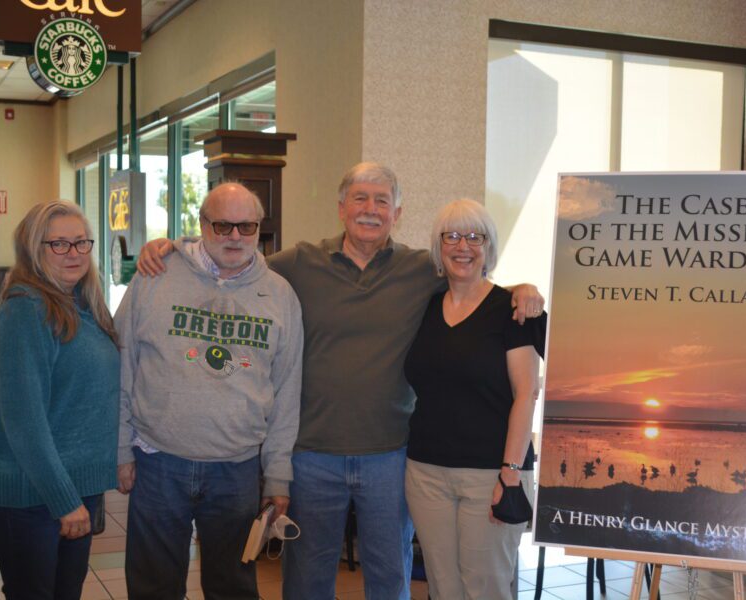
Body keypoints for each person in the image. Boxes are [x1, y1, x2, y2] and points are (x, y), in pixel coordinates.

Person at [136, 162, 544, 600]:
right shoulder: (299, 262)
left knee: (390, 579)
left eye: (382, 201)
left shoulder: (421, 269)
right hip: (312, 455)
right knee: (307, 580)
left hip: (391, 454)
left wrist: (523, 288)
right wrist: (175, 248)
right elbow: (234, 258)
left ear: (398, 212)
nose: (370, 209)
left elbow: (473, 279)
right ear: (341, 207)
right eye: (360, 198)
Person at [116, 182, 303, 600]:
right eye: (222, 225)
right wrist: (121, 449)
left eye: (246, 226)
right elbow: (122, 365)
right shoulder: (154, 276)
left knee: (232, 588)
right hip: (158, 461)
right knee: (153, 587)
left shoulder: (280, 296)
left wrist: (278, 475)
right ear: (202, 224)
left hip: (236, 469)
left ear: (259, 229)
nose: (235, 237)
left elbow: (288, 393)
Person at [404, 199, 545, 600]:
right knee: (443, 586)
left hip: (492, 474)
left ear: (489, 247)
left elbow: (526, 394)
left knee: (486, 588)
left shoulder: (513, 311)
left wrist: (510, 472)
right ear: (438, 246)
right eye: (451, 236)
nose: (462, 246)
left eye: (474, 237)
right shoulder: (427, 307)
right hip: (425, 471)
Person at [0, 201, 120, 600]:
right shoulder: (27, 312)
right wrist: (64, 501)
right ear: (32, 250)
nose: (74, 253)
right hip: (33, 497)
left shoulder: (83, 305)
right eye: (58, 244)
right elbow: (24, 423)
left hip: (70, 492)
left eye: (81, 243)